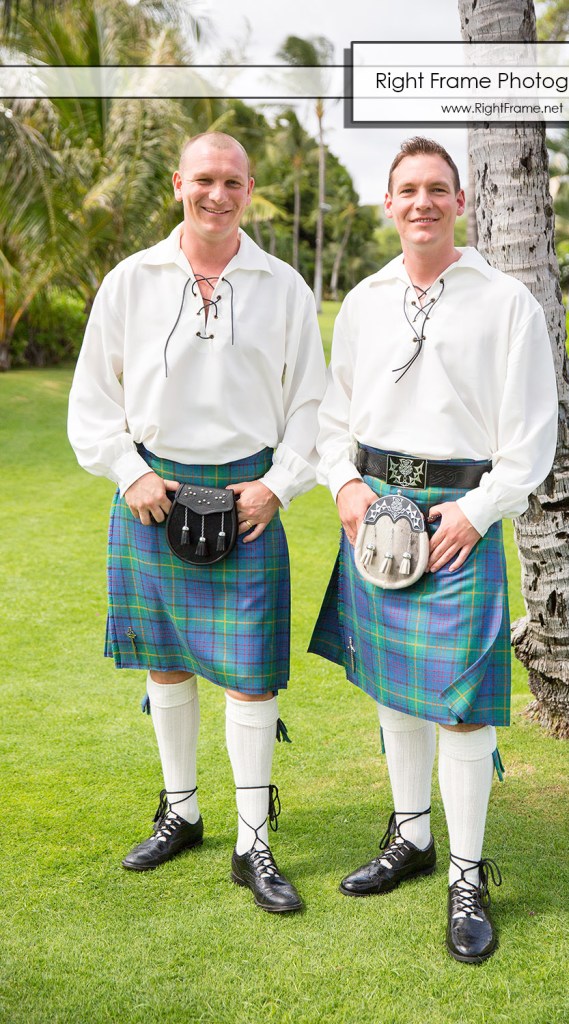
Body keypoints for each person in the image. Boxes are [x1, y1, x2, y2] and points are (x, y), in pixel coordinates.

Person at [310, 137, 558, 961]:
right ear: (390, 204)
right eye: (406, 190)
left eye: (435, 189)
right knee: (393, 693)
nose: (421, 202)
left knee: (459, 709)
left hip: (456, 519)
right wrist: (342, 486)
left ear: (460, 202)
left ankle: (464, 873)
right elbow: (331, 415)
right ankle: (410, 837)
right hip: (372, 510)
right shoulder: (366, 298)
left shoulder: (504, 302)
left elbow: (530, 439)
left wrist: (477, 512)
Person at [68, 132, 326, 914]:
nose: (218, 194)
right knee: (167, 664)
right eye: (204, 179)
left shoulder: (282, 287)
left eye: (233, 182)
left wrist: (277, 487)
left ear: (251, 191)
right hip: (152, 491)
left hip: (247, 500)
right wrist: (131, 472)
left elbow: (311, 407)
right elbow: (92, 401)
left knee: (251, 678)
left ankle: (254, 843)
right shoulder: (130, 281)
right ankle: (181, 810)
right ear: (180, 183)